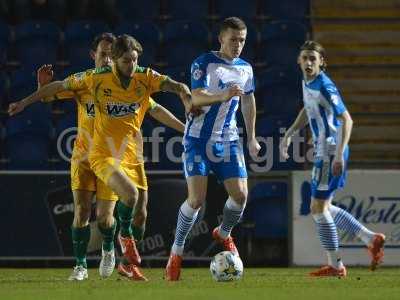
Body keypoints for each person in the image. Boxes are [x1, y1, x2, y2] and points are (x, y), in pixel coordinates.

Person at [9, 34, 189, 281]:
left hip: (119, 155)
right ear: (95, 55)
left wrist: (186, 127)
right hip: (85, 155)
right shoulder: (88, 81)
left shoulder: (134, 82)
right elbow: (53, 93)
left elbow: (154, 108)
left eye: (110, 54)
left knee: (106, 218)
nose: (107, 58)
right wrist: (35, 93)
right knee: (82, 211)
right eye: (103, 54)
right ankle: (81, 265)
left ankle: (109, 251)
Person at [164, 17, 261, 281]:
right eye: (233, 40)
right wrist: (223, 95)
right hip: (196, 139)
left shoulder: (245, 68)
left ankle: (224, 233)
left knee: (241, 195)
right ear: (221, 39)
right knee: (196, 200)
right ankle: (176, 252)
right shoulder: (204, 62)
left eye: (242, 40)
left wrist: (251, 137)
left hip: (228, 141)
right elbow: (196, 96)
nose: (237, 45)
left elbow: (248, 101)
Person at [280, 40, 385, 277]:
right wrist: (289, 133)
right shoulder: (307, 82)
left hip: (330, 151)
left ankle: (336, 265)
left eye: (313, 59)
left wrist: (338, 153)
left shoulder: (325, 85)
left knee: (317, 208)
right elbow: (308, 109)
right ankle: (371, 238)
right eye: (305, 58)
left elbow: (347, 120)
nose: (308, 62)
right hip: (323, 150)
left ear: (321, 63)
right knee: (325, 206)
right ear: (299, 60)